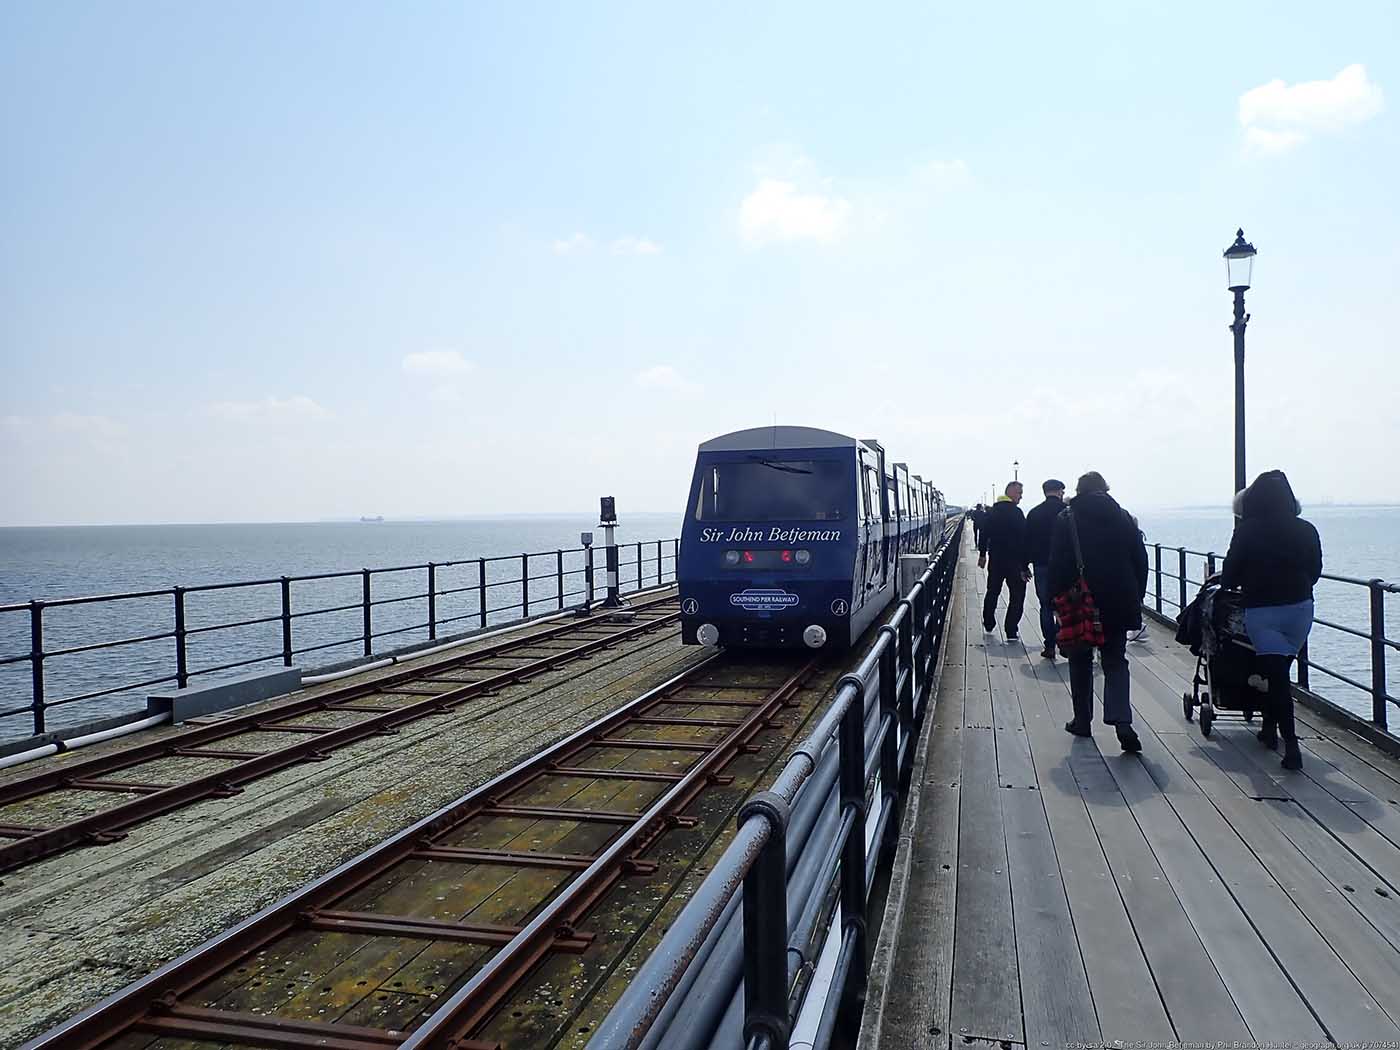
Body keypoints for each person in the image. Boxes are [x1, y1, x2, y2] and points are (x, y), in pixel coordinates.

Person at [1220, 470, 1322, 771]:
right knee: (1280, 671)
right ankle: (1268, 727)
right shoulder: (1306, 529)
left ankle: (1291, 746)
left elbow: (1230, 574)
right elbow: (1315, 571)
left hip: (1263, 609)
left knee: (1276, 678)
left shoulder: (1248, 530)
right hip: (1300, 608)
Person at [1049, 471, 1147, 753]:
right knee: (1115, 660)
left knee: (1080, 659)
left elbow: (1058, 563)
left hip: (1082, 600)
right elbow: (1140, 560)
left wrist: (1054, 601)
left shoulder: (1067, 519)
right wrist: (1135, 596)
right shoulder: (1124, 517)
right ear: (1105, 489)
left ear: (1078, 491)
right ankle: (1122, 722)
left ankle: (1082, 720)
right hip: (1118, 599)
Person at [978, 483, 1029, 640]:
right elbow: (1024, 540)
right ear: (1011, 493)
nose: (1021, 496)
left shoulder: (992, 512)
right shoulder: (1017, 513)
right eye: (1019, 492)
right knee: (1017, 595)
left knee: (992, 591)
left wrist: (982, 555)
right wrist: (1025, 565)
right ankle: (1011, 629)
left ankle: (988, 622)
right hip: (1015, 562)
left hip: (996, 560)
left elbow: (984, 534)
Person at [1025, 479, 1067, 660]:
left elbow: (1026, 541)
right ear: (1059, 491)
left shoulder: (1034, 513)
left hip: (1041, 564)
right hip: (1065, 565)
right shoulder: (1067, 512)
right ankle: (1063, 640)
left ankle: (1049, 645)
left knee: (1046, 606)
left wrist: (1023, 565)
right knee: (1065, 605)